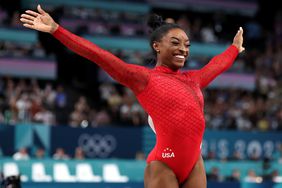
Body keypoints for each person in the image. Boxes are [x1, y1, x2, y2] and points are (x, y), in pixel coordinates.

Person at [20, 5, 244, 188]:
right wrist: (57, 30)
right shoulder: (144, 78)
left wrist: (234, 48)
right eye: (175, 43)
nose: (183, 49)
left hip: (195, 163)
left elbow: (217, 65)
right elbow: (99, 55)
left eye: (187, 45)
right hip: (163, 165)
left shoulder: (193, 79)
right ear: (157, 46)